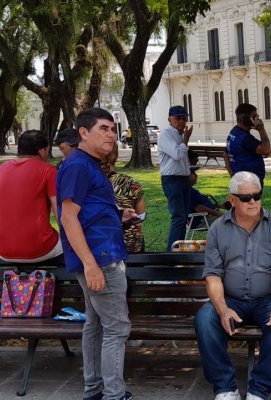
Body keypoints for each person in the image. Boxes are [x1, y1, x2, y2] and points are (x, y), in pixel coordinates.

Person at [195, 171, 271, 400]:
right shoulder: (218, 229)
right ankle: (225, 388)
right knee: (205, 318)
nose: (253, 201)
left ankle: (259, 391)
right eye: (246, 197)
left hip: (268, 300)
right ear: (232, 199)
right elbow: (212, 274)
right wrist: (222, 308)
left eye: (257, 196)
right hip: (231, 299)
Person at [57, 108, 136, 400]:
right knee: (117, 327)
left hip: (99, 253)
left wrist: (117, 214)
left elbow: (86, 210)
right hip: (100, 259)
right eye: (104, 128)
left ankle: (94, 390)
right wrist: (91, 265)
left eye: (113, 129)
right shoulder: (77, 165)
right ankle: (113, 395)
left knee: (96, 324)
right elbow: (68, 217)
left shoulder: (88, 164)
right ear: (83, 133)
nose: (111, 135)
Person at [0, 130, 62, 262]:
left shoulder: (2, 169)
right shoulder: (49, 170)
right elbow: (60, 213)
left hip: (3, 249)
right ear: (41, 150)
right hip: (40, 249)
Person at [158, 105, 193, 250]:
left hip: (182, 178)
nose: (181, 121)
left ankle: (180, 249)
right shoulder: (166, 134)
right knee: (178, 217)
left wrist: (189, 172)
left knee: (184, 217)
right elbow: (178, 154)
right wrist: (185, 140)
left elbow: (183, 158)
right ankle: (171, 253)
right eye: (178, 118)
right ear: (169, 119)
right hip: (171, 179)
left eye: (184, 118)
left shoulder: (180, 134)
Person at [101, 142, 146, 253]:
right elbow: (140, 216)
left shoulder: (88, 182)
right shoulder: (130, 183)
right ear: (116, 156)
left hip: (100, 244)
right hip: (129, 245)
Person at [225, 103, 271, 186]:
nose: (257, 119)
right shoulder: (245, 139)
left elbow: (225, 155)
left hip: (239, 180)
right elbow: (267, 150)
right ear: (244, 118)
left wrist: (232, 174)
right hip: (250, 183)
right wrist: (261, 129)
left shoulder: (233, 132)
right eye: (254, 116)